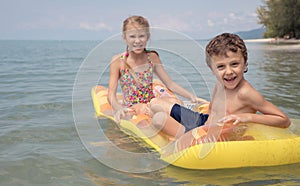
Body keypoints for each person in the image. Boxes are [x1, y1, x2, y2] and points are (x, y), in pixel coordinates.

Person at [150, 32, 291, 152]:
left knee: (159, 119)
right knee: (155, 103)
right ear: (212, 69)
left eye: (234, 64)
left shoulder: (246, 93)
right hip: (203, 122)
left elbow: (283, 120)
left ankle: (181, 139)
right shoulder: (220, 83)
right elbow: (215, 107)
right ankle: (181, 120)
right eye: (221, 67)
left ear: (245, 64)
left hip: (212, 135)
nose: (229, 72)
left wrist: (247, 117)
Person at [107, 15, 207, 123]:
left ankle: (196, 121)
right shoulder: (118, 61)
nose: (137, 41)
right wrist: (119, 108)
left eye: (141, 36)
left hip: (153, 101)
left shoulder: (152, 57)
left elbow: (170, 84)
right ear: (124, 37)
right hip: (133, 106)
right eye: (132, 36)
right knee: (148, 109)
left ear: (148, 37)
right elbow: (111, 94)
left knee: (176, 102)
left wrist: (192, 97)